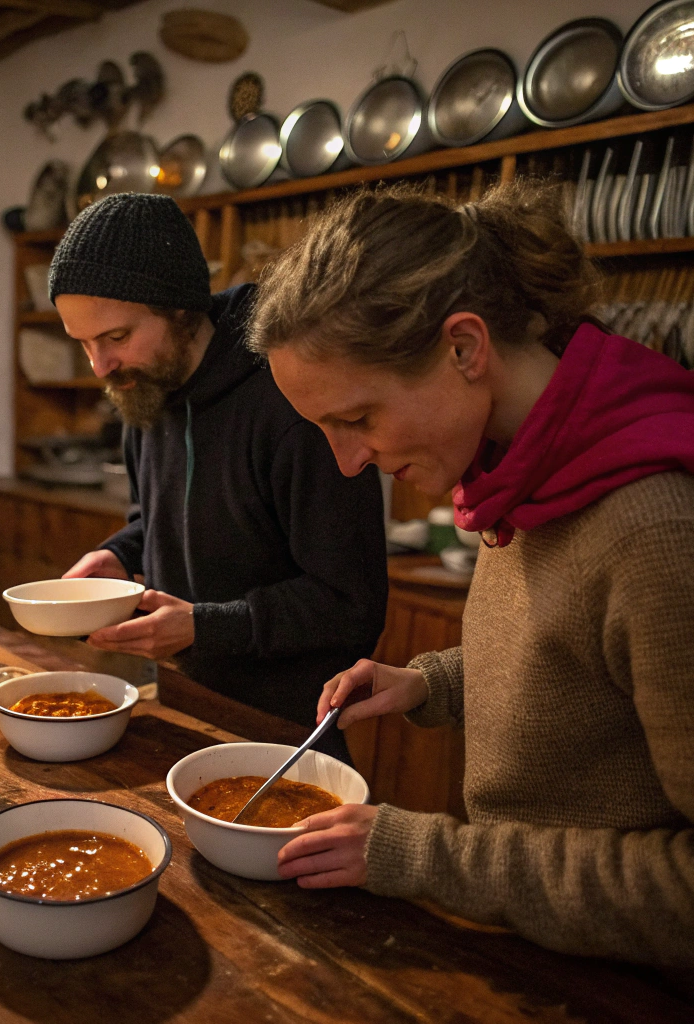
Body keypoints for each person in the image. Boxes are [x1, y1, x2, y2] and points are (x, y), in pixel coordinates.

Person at [246, 180, 694, 978]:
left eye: (357, 418)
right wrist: (430, 684)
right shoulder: (517, 469)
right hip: (533, 942)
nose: (348, 462)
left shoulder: (654, 527)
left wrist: (430, 857)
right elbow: (580, 670)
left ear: (463, 347)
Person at [49, 193, 388, 761]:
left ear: (180, 308)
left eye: (115, 337)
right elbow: (150, 522)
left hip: (286, 729)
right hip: (178, 699)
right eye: (82, 343)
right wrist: (117, 556)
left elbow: (350, 603)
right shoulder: (145, 392)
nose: (100, 367)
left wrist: (204, 627)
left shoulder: (290, 397)